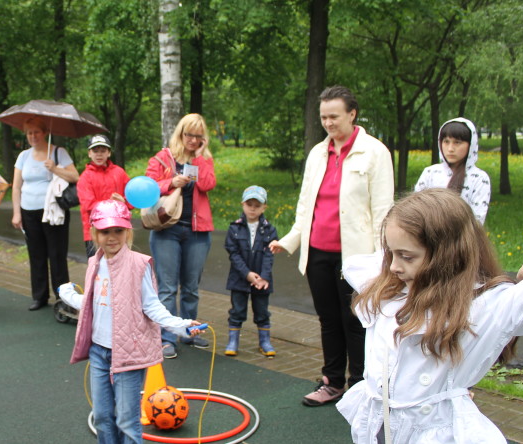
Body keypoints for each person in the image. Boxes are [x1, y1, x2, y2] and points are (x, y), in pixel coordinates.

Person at [337, 189, 523, 443]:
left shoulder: (483, 306)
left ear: (447, 255)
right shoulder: (390, 285)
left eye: (407, 256)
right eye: (391, 252)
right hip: (378, 428)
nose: (393, 266)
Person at [269, 85, 394, 406]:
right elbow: (305, 206)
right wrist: (290, 241)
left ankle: (360, 387)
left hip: (358, 257)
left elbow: (383, 210)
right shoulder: (317, 153)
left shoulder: (375, 152)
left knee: (355, 320)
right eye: (323, 117)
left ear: (352, 114)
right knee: (328, 320)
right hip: (318, 253)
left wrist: (384, 257)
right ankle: (333, 382)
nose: (328, 123)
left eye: (334, 116)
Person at [58, 200, 204, 444]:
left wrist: (180, 325)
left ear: (128, 231)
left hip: (129, 354)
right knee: (103, 417)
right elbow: (94, 301)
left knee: (127, 420)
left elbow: (152, 306)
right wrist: (67, 294)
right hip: (99, 353)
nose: (112, 237)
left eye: (118, 231)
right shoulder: (95, 262)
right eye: (105, 231)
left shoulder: (138, 264)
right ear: (95, 233)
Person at [145, 113, 217, 359]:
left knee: (191, 288)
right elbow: (148, 186)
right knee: (166, 288)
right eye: (190, 135)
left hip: (197, 231)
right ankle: (167, 338)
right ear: (181, 133)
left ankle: (189, 333)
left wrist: (199, 159)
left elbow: (207, 185)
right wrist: (171, 182)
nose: (193, 140)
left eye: (199, 136)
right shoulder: (163, 158)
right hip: (167, 230)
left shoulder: (202, 159)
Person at [11, 117, 79, 311]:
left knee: (57, 255)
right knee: (36, 254)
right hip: (28, 211)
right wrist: (17, 213)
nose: (33, 136)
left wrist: (55, 168)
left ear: (44, 133)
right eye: (29, 133)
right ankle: (39, 297)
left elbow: (76, 176)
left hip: (53, 212)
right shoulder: (23, 156)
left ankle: (62, 297)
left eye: (36, 132)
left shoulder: (58, 152)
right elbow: (16, 187)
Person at [224, 186, 279, 357]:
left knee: (262, 311)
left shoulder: (270, 230)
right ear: (243, 205)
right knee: (237, 310)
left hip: (262, 281)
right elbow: (233, 254)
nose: (253, 208)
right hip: (239, 278)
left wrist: (263, 277)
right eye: (249, 204)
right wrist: (247, 274)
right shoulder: (235, 228)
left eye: (257, 205)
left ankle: (265, 341)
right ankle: (233, 341)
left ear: (264, 207)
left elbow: (270, 256)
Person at [414, 117, 490, 224]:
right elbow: (415, 210)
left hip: (464, 238)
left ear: (471, 145)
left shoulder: (479, 178)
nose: (450, 148)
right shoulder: (430, 173)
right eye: (446, 142)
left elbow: (477, 220)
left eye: (457, 142)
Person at [76, 134, 130, 258]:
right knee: (97, 270)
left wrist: (124, 202)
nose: (99, 154)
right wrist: (112, 206)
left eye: (103, 150)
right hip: (95, 232)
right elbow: (88, 205)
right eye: (95, 151)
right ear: (89, 153)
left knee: (122, 268)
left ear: (109, 153)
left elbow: (131, 198)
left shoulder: (119, 172)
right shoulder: (85, 177)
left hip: (119, 230)